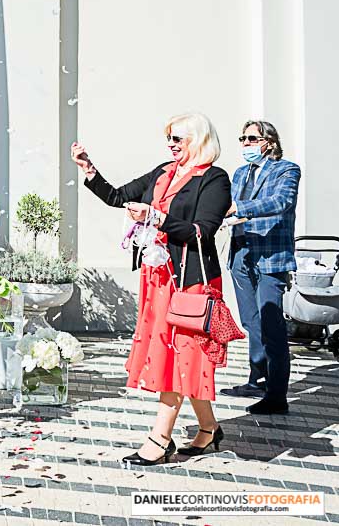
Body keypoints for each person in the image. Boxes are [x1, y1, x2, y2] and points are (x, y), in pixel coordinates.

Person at [72, 113, 232, 465]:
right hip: (158, 279)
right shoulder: (163, 172)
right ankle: (208, 429)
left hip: (189, 281)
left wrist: (156, 218)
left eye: (178, 139)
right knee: (176, 354)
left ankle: (160, 439)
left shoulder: (215, 179)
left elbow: (201, 231)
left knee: (177, 356)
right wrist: (89, 170)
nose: (171, 145)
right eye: (169, 139)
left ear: (199, 140)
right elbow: (117, 196)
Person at [220, 121, 301, 415]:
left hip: (271, 255)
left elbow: (282, 201)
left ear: (268, 141)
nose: (245, 143)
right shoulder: (241, 173)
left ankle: (277, 396)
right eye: (242, 138)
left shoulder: (287, 170)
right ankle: (258, 379)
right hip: (241, 253)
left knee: (271, 324)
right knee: (251, 321)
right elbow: (226, 204)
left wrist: (239, 209)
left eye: (252, 138)